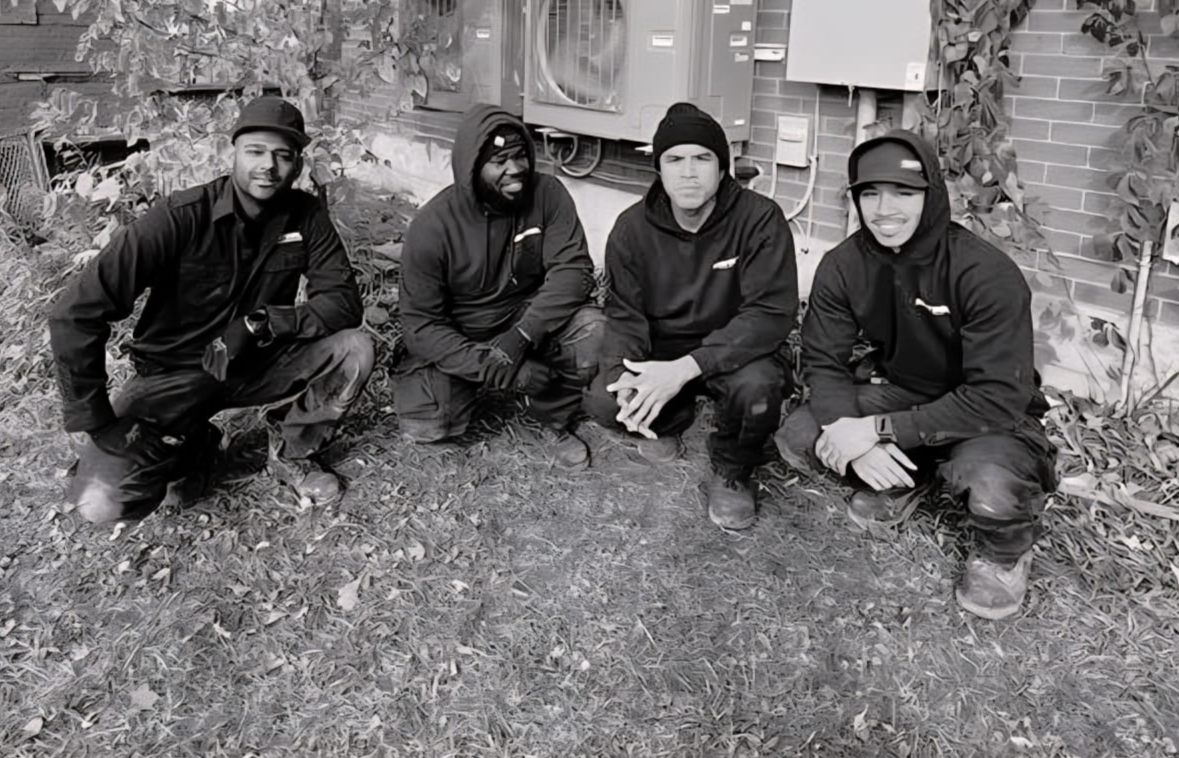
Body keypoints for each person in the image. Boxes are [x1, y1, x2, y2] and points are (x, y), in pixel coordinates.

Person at [50, 95, 375, 523]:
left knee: (355, 348)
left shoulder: (306, 216)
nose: (269, 166)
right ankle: (193, 446)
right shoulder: (179, 216)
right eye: (255, 152)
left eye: (283, 156)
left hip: (259, 361)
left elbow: (342, 303)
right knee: (101, 503)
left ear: (297, 165)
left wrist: (263, 323)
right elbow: (74, 312)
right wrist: (97, 422)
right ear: (232, 153)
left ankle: (291, 454)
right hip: (172, 376)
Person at [773, 131, 1056, 619]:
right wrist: (847, 431)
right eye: (869, 193)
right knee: (800, 436)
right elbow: (823, 361)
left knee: (988, 487)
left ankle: (1003, 554)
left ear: (931, 195)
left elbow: (996, 397)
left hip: (987, 414)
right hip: (904, 392)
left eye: (904, 192)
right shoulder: (844, 265)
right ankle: (909, 477)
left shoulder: (983, 272)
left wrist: (878, 431)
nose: (884, 209)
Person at [584, 102, 799, 530]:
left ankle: (734, 470)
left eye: (702, 158)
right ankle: (670, 416)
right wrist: (624, 377)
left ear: (722, 168)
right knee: (605, 400)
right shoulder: (631, 229)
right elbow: (626, 316)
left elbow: (769, 314)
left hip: (738, 348)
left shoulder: (759, 220)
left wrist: (687, 368)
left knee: (759, 391)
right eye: (674, 159)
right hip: (664, 346)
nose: (688, 172)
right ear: (659, 170)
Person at [394, 104, 603, 468]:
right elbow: (421, 327)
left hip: (524, 318)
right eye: (499, 161)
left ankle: (543, 418)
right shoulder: (432, 227)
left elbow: (573, 271)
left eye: (520, 155)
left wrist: (522, 336)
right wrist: (496, 366)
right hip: (462, 332)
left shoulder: (548, 195)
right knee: (427, 423)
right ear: (472, 168)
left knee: (595, 333)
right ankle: (482, 387)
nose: (516, 169)